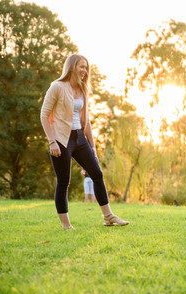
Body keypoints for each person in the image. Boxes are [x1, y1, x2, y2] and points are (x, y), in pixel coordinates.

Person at [40, 54, 129, 230]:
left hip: (80, 137)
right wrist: (52, 142)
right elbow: (44, 114)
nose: (84, 70)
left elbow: (86, 121)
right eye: (81, 66)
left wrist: (92, 145)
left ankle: (108, 216)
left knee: (97, 173)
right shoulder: (57, 86)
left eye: (86, 67)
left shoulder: (83, 90)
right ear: (72, 67)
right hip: (61, 139)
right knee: (63, 181)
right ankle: (66, 225)